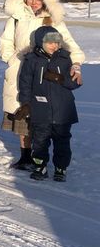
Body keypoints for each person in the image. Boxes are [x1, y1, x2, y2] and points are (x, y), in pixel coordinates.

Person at [0, 0, 84, 170]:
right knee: (22, 113)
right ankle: (25, 156)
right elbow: (5, 42)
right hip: (20, 68)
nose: (34, 2)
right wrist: (13, 59)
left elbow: (70, 44)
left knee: (41, 116)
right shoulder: (16, 18)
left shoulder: (52, 19)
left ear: (44, 0)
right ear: (24, 0)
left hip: (45, 74)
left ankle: (42, 156)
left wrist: (76, 64)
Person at [19, 27, 81, 182]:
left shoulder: (65, 58)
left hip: (63, 110)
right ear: (41, 42)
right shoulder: (31, 60)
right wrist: (26, 103)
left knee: (62, 140)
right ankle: (40, 166)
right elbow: (25, 83)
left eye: (57, 42)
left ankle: (61, 168)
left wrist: (59, 78)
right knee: (39, 141)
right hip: (40, 109)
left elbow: (74, 84)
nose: (54, 45)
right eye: (50, 42)